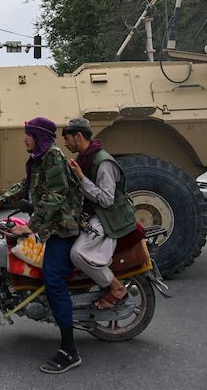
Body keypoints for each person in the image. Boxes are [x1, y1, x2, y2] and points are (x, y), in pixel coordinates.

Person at [0, 117, 82, 374]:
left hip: (63, 228)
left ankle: (69, 350)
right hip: (51, 225)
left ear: (39, 137)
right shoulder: (39, 159)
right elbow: (26, 185)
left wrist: (31, 226)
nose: (24, 139)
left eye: (28, 134)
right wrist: (0, 200)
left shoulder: (53, 157)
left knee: (53, 279)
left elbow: (56, 195)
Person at [62, 118, 136, 310]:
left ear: (79, 137)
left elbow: (106, 200)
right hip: (92, 214)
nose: (66, 143)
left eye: (67, 139)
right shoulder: (84, 159)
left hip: (109, 218)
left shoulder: (103, 162)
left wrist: (81, 178)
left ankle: (115, 287)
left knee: (77, 254)